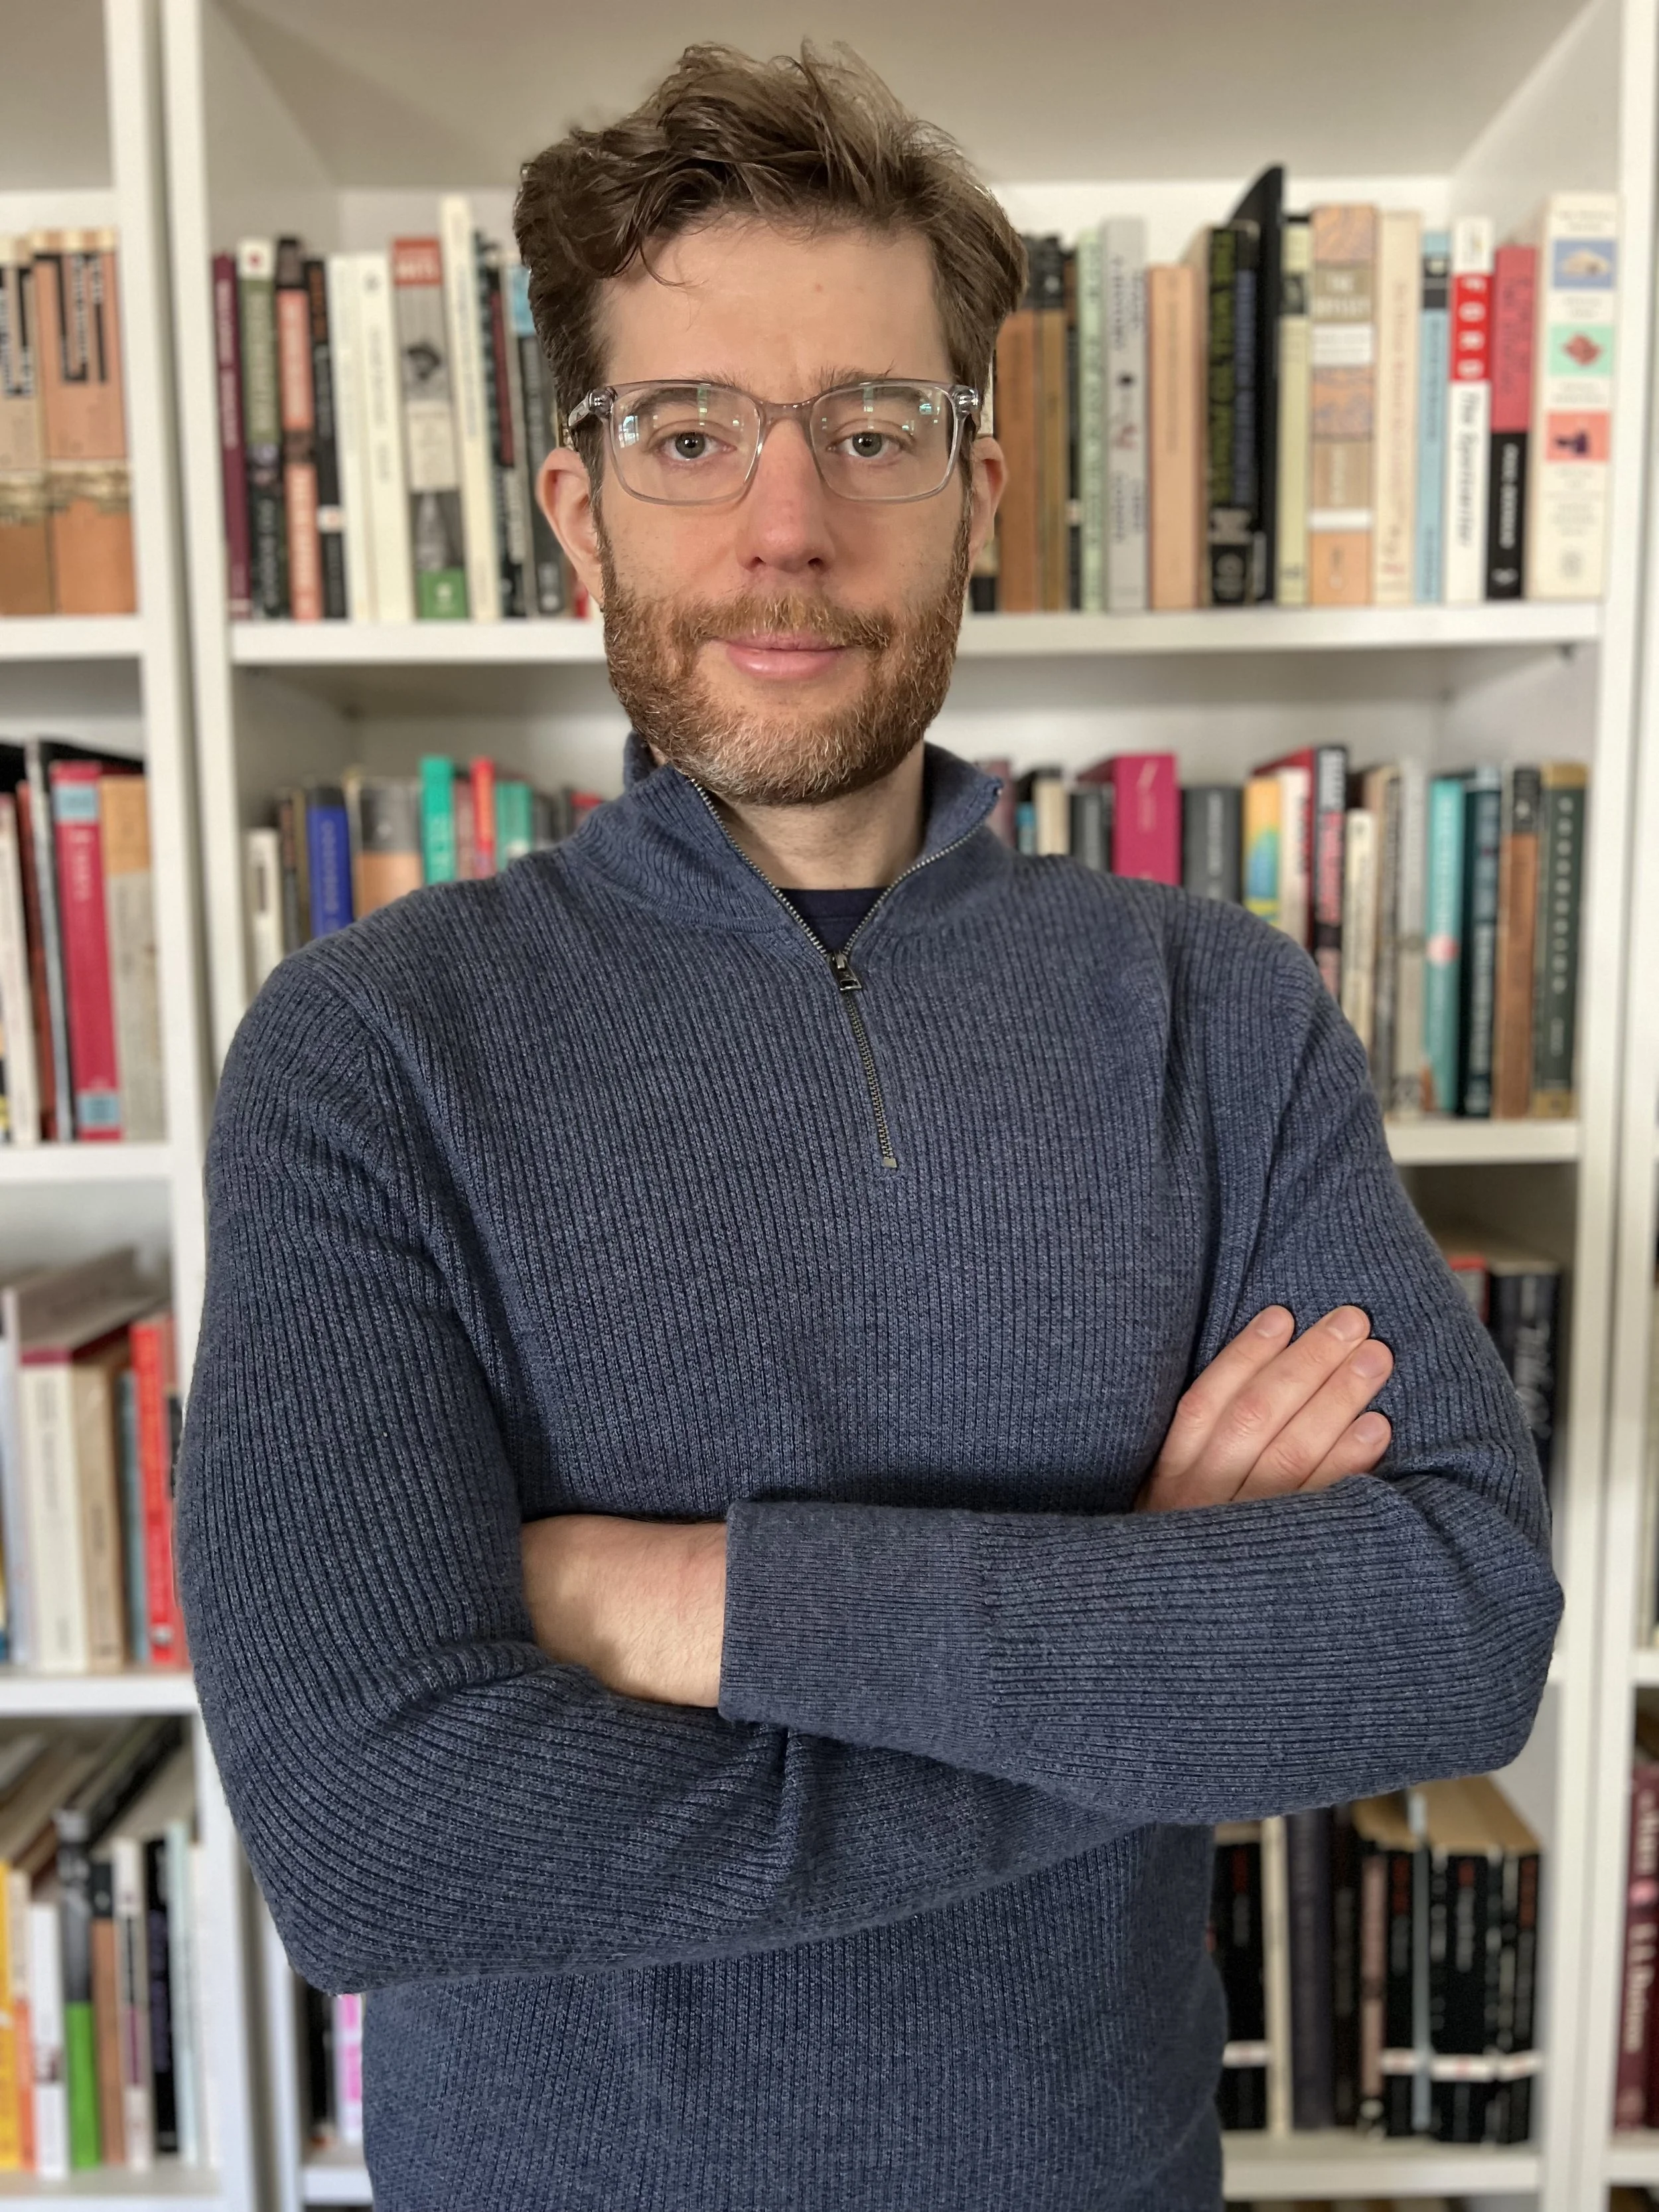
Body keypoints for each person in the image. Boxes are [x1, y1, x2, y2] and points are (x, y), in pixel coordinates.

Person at [173, 42, 1562, 2212]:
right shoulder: (369, 1050)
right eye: (690, 430)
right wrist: (1144, 1659)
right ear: (575, 501)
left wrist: (690, 1606)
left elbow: (1455, 1619)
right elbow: (374, 1837)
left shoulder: (1213, 1006)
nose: (786, 522)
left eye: (873, 427)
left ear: (975, 486)